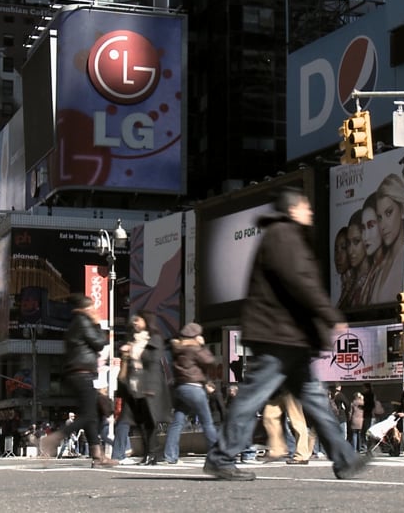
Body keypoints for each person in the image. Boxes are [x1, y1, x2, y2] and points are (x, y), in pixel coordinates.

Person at [203, 187, 369, 481]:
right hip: (277, 334)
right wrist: (330, 314)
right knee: (253, 397)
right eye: (306, 206)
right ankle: (221, 456)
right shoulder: (284, 235)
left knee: (315, 400)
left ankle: (344, 459)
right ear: (293, 210)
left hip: (289, 336)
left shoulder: (285, 235)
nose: (311, 211)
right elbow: (300, 281)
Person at [53, 294, 117, 467]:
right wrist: (97, 324)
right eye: (92, 308)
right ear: (85, 309)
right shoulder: (83, 321)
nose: (94, 311)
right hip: (82, 373)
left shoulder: (75, 322)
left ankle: (98, 456)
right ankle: (54, 438)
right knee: (89, 415)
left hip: (78, 373)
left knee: (92, 416)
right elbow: (99, 343)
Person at [118, 311, 172, 465]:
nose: (135, 323)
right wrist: (126, 353)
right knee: (140, 421)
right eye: (134, 321)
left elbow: (154, 365)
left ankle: (153, 454)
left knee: (150, 422)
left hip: (149, 385)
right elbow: (128, 362)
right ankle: (149, 453)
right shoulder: (131, 340)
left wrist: (151, 387)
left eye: (138, 320)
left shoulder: (154, 339)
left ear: (146, 321)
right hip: (134, 385)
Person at [163, 322, 218, 464]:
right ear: (195, 336)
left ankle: (170, 456)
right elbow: (210, 361)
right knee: (207, 423)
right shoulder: (194, 349)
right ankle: (217, 456)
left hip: (181, 388)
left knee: (177, 422)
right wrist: (201, 346)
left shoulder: (177, 348)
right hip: (194, 388)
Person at [369, 174, 404, 304]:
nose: (383, 226)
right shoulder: (381, 265)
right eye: (379, 217)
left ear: (402, 211)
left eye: (389, 213)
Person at [337, 211, 367, 309]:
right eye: (349, 243)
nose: (350, 251)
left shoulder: (371, 279)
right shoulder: (349, 280)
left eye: (356, 241)